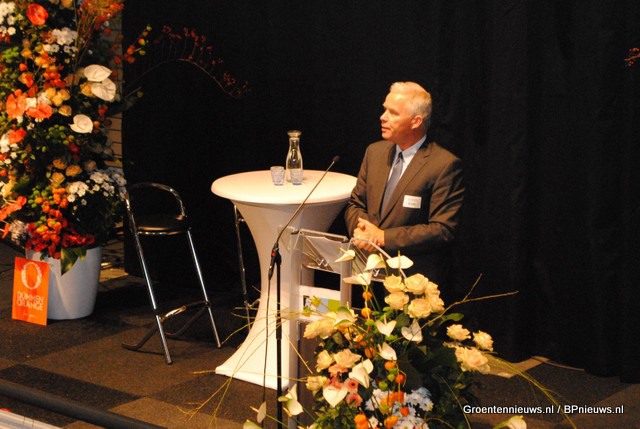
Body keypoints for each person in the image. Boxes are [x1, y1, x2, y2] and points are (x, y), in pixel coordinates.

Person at [345, 81, 464, 286]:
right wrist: (364, 232)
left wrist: (384, 237)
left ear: (416, 121)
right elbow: (355, 203)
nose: (382, 117)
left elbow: (442, 229)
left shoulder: (444, 165)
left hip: (413, 280)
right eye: (385, 109)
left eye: (393, 113)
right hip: (368, 275)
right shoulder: (374, 152)